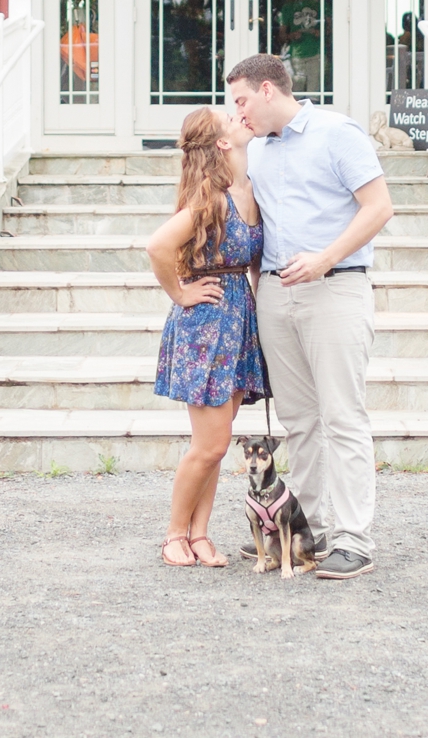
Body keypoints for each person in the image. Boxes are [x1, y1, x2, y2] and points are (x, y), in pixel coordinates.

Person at [227, 53, 395, 580]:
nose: (237, 112)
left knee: (343, 415)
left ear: (269, 91)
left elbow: (379, 206)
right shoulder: (256, 151)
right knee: (298, 420)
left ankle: (355, 540)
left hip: (335, 288)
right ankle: (312, 528)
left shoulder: (336, 133)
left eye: (241, 100)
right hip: (276, 294)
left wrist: (327, 257)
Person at [146, 105, 268, 568]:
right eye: (232, 121)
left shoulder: (246, 189)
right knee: (211, 444)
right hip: (207, 325)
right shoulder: (209, 199)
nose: (242, 119)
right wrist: (180, 292)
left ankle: (200, 535)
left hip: (237, 323)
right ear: (221, 143)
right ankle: (174, 535)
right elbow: (157, 245)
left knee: (218, 439)